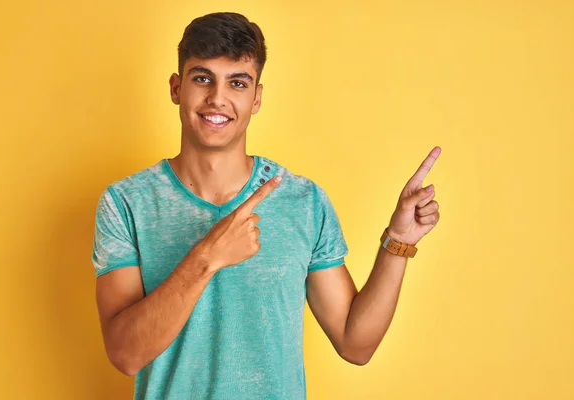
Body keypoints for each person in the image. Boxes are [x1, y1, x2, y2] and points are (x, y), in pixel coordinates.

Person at [92, 11, 441, 400]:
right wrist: (208, 257)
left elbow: (355, 345)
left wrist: (397, 243)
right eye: (202, 78)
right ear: (176, 88)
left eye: (237, 82)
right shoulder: (125, 202)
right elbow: (125, 354)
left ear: (256, 97)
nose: (217, 98)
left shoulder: (302, 201)